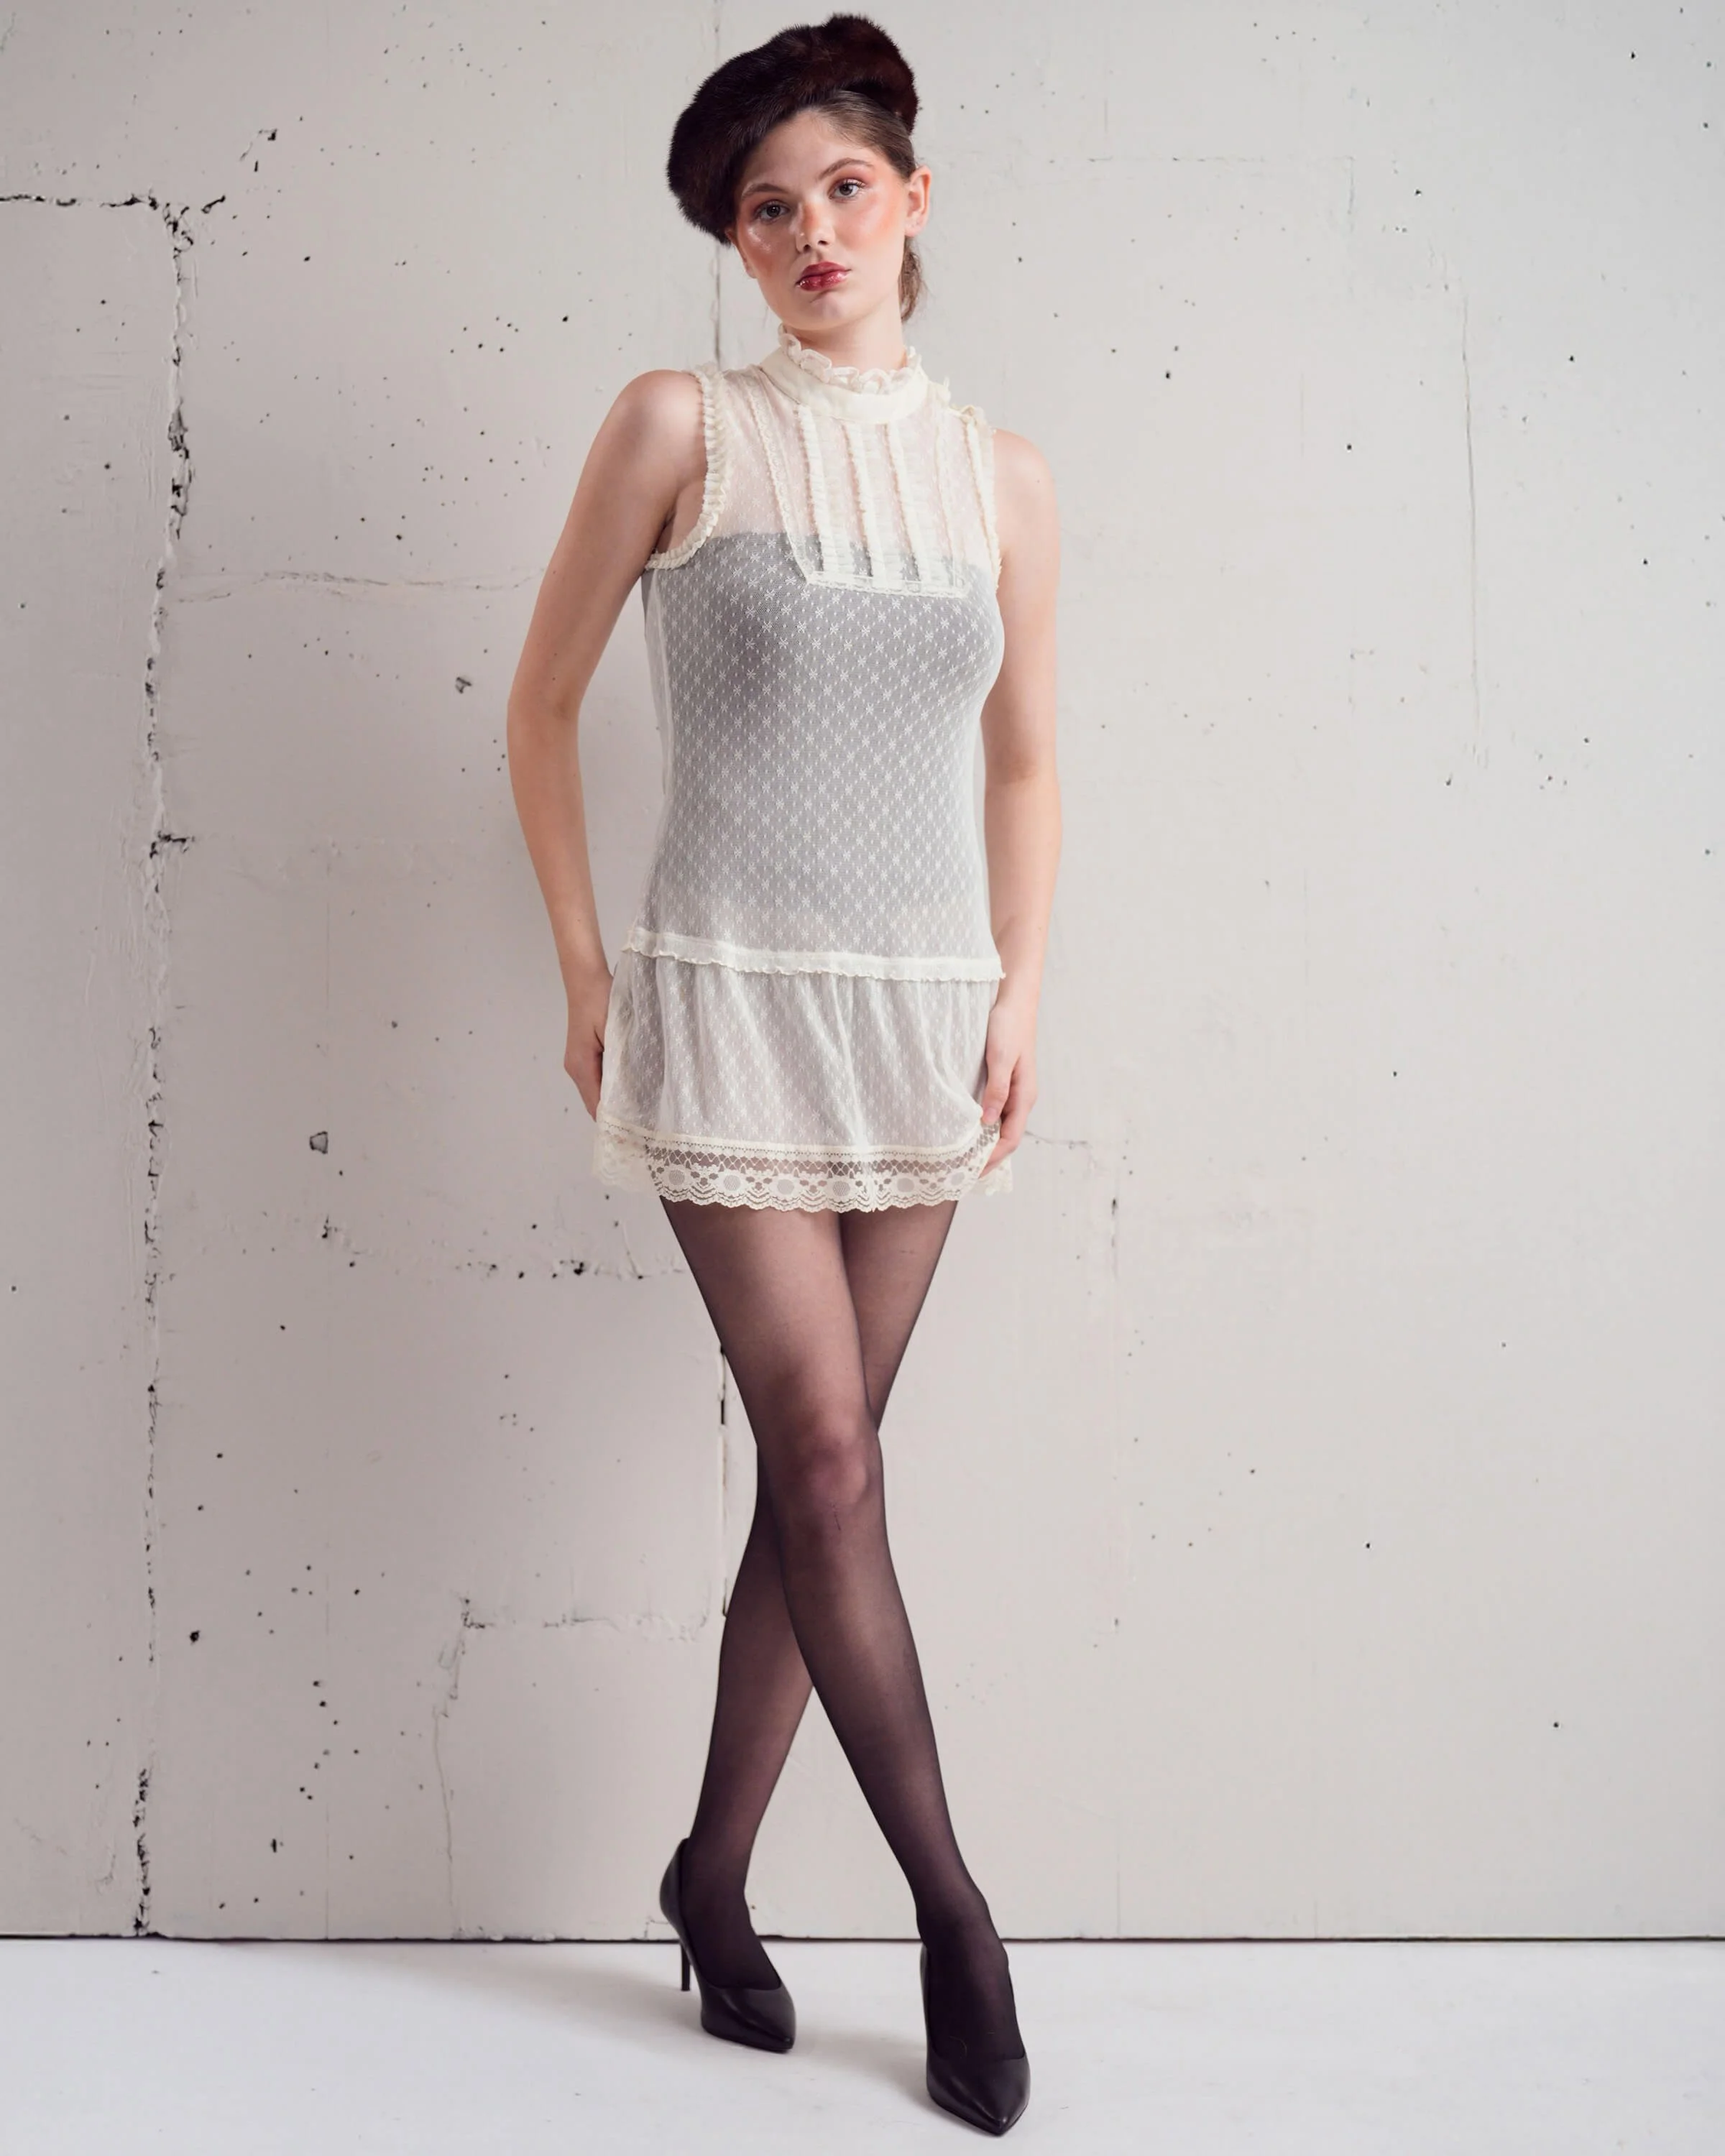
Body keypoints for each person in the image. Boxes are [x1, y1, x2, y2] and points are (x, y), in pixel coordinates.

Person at [506, 14, 1059, 2135]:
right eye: (766, 210)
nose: (810, 231)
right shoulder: (683, 426)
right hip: (726, 1002)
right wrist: (588, 965)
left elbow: (1026, 760)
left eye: (841, 189)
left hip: (921, 1020)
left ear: (912, 200)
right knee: (827, 1464)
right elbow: (540, 707)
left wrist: (1021, 990)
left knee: (815, 1487)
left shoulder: (1002, 477)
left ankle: (712, 1875)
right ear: (735, 249)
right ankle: (954, 1914)